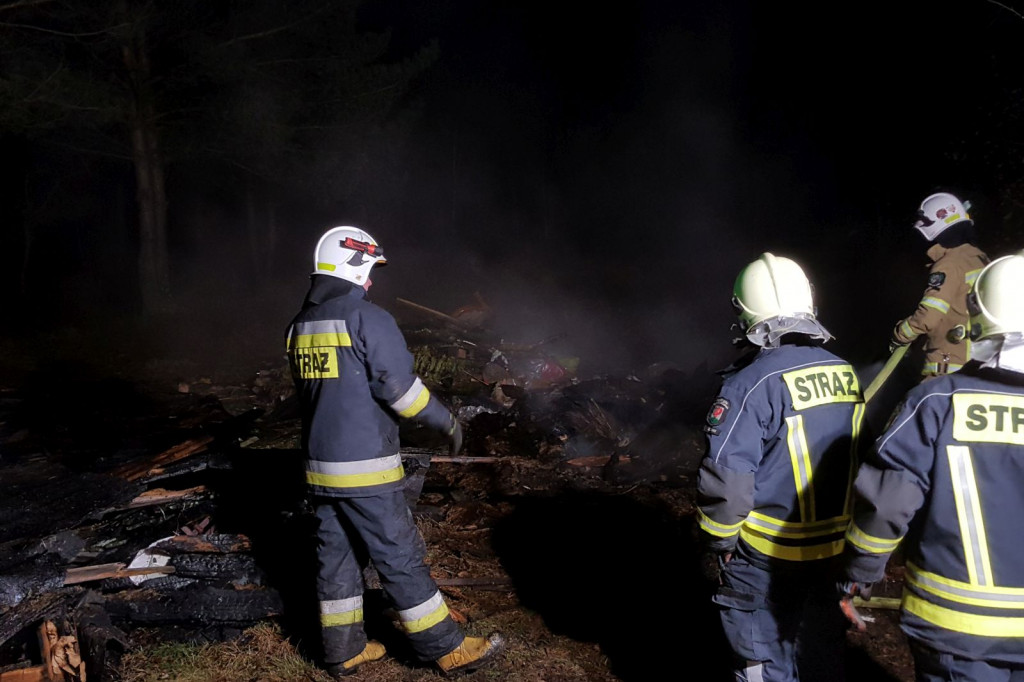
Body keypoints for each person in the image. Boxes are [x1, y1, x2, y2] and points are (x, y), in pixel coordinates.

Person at [285, 225, 504, 679]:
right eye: (369, 270)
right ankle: (446, 647)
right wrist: (445, 419)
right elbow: (401, 393)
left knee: (336, 558)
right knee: (398, 555)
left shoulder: (300, 325)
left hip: (320, 470)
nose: (372, 281)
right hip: (365, 469)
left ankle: (342, 651)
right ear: (353, 265)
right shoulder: (368, 318)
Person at [840, 251, 1024, 682]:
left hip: (960, 636)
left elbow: (885, 507)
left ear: (977, 318)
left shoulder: (936, 401)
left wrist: (858, 575)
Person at [696, 252, 865, 682]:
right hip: (832, 554)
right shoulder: (846, 374)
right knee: (820, 655)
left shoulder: (750, 383)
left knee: (762, 665)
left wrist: (719, 543)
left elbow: (729, 482)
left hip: (766, 558)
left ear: (746, 311)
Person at [890, 191, 989, 378]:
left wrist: (900, 335)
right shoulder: (980, 258)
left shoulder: (949, 264)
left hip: (948, 364)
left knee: (917, 406)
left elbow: (928, 317)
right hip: (980, 362)